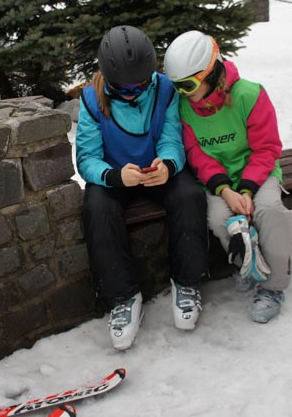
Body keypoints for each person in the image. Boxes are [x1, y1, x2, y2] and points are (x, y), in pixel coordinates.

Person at [76, 25, 210, 350]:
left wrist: (168, 165)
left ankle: (188, 281)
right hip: (115, 175)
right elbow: (87, 157)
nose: (133, 92)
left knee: (189, 194)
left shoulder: (164, 90)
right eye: (124, 87)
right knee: (96, 207)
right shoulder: (92, 99)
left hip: (155, 170)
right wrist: (114, 176)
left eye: (140, 84)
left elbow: (172, 136)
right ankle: (122, 297)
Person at [164, 30, 292, 323]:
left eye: (188, 85)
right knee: (219, 218)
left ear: (210, 73)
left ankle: (274, 287)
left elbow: (266, 148)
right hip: (218, 180)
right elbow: (197, 154)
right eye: (177, 87)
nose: (182, 93)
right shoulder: (185, 107)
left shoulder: (249, 95)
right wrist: (225, 191)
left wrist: (247, 190)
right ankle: (245, 265)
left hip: (257, 172)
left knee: (269, 211)